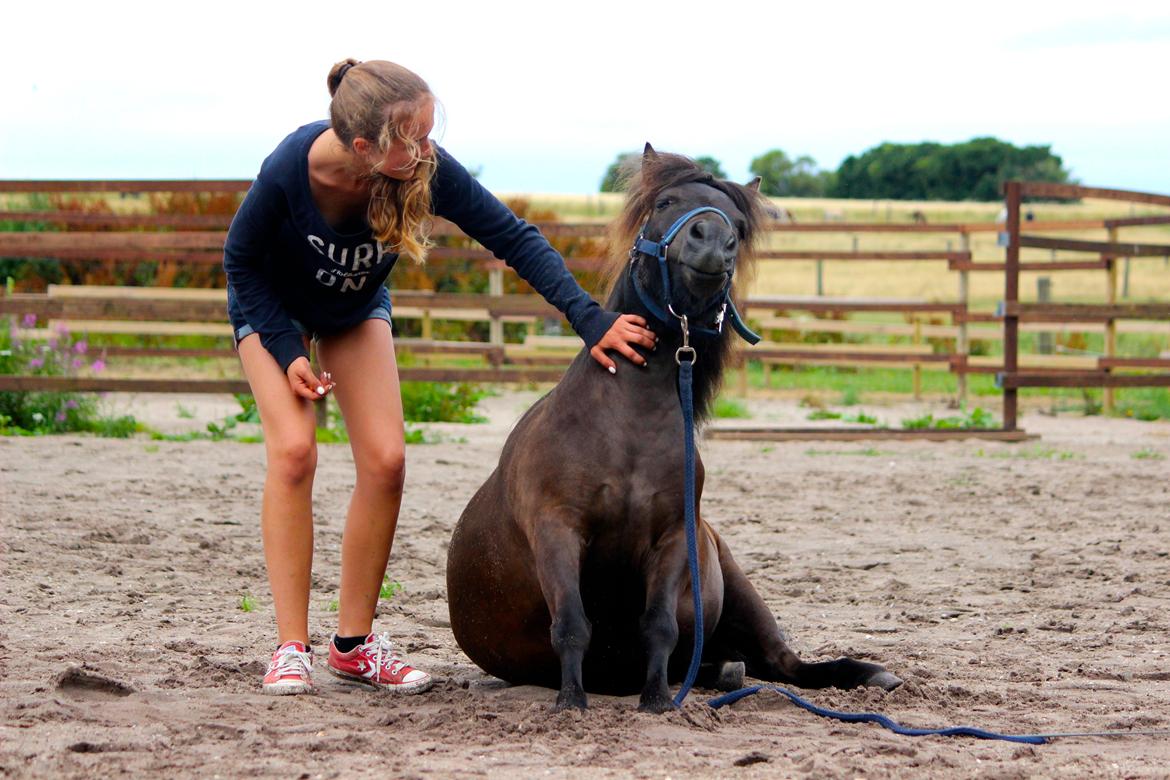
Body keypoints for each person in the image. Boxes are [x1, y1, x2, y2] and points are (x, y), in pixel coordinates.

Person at [224, 58, 657, 695]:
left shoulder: (425, 169)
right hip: (274, 312)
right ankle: (291, 647)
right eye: (413, 138)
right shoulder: (292, 168)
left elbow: (513, 237)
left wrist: (591, 320)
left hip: (351, 309)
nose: (428, 149)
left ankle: (354, 646)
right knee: (293, 453)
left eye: (430, 132)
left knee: (387, 460)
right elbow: (241, 261)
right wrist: (287, 349)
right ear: (366, 148)